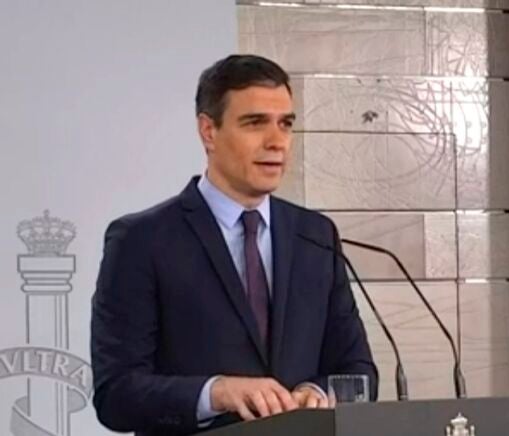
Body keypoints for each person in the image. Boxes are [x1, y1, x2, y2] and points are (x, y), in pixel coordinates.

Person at [90, 54, 377, 435]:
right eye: (255, 123)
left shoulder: (315, 235)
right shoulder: (142, 240)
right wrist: (216, 393)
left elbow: (358, 370)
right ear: (209, 131)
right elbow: (116, 394)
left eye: (285, 124)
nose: (276, 142)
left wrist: (316, 393)